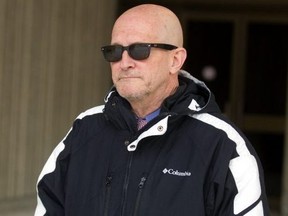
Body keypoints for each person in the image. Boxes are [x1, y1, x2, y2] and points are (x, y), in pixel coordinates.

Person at [35, 4, 270, 216]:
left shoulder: (223, 146)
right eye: (114, 51)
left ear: (175, 60)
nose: (124, 62)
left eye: (140, 50)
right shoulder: (84, 130)